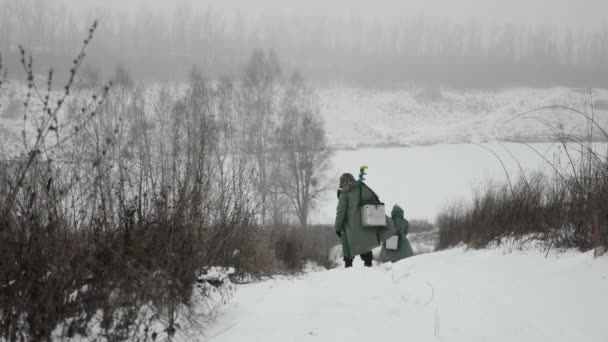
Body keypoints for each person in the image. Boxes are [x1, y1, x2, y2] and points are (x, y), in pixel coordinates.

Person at [335, 173, 388, 267]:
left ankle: (348, 266)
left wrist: (338, 227)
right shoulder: (362, 188)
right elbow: (375, 198)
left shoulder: (345, 193)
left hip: (350, 226)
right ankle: (368, 264)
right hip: (366, 222)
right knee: (364, 244)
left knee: (348, 245)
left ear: (343, 182)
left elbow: (341, 212)